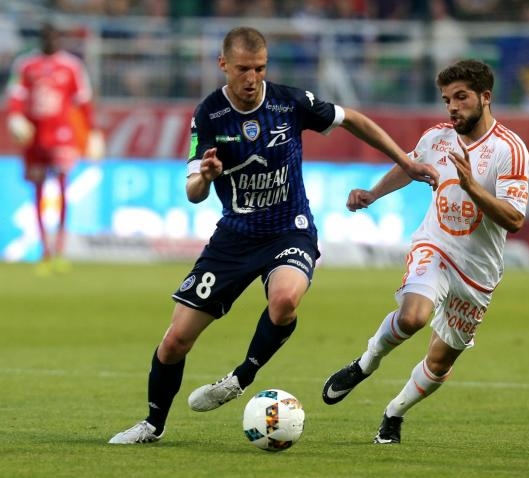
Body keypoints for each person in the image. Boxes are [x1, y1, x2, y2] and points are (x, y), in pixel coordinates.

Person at [108, 26, 439, 445]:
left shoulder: (289, 101)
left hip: (290, 229)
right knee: (175, 341)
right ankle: (151, 425)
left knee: (284, 301)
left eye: (260, 68)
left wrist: (405, 162)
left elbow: (352, 119)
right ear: (223, 64)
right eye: (244, 69)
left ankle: (241, 377)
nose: (252, 78)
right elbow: (192, 194)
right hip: (234, 237)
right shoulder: (208, 114)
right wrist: (206, 178)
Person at [322, 59, 529, 444]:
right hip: (435, 245)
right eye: (447, 99)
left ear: (486, 97)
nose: (452, 107)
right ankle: (365, 363)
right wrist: (372, 193)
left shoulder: (510, 150)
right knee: (414, 316)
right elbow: (411, 166)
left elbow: (514, 220)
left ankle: (394, 412)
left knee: (440, 361)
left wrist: (472, 188)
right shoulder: (438, 137)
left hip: (478, 272)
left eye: (461, 97)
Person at [5, 22, 104, 274]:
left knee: (61, 187)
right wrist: (15, 117)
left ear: (59, 39)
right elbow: (15, 98)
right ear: (40, 39)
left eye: (54, 37)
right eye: (46, 36)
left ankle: (59, 249)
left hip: (61, 135)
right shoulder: (25, 65)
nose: (50, 41)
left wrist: (92, 132)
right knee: (37, 191)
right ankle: (45, 252)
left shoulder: (71, 66)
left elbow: (83, 102)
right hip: (34, 138)